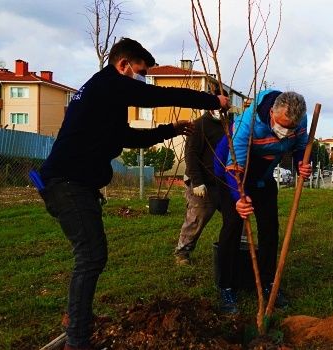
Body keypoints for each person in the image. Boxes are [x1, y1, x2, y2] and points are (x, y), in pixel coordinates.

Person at [38, 37, 230, 350]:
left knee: (90, 257)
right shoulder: (108, 84)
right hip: (66, 184)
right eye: (140, 72)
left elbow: (126, 137)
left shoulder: (104, 97)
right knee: (91, 257)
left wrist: (172, 129)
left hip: (71, 184)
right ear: (124, 65)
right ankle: (76, 338)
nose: (142, 79)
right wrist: (212, 102)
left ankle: (75, 319)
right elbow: (158, 94)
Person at [214, 89, 311, 313]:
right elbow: (233, 165)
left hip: (263, 176)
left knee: (270, 227)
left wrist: (302, 163)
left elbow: (300, 147)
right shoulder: (247, 123)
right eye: (282, 125)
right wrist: (239, 198)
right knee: (233, 225)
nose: (285, 132)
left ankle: (268, 283)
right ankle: (226, 287)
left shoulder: (299, 120)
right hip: (232, 172)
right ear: (271, 112)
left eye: (291, 128)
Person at [174, 95, 228, 265]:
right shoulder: (199, 125)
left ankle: (234, 248)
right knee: (197, 218)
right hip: (203, 183)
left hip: (225, 182)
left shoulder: (230, 125)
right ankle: (183, 252)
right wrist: (197, 182)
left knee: (235, 218)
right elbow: (190, 154)